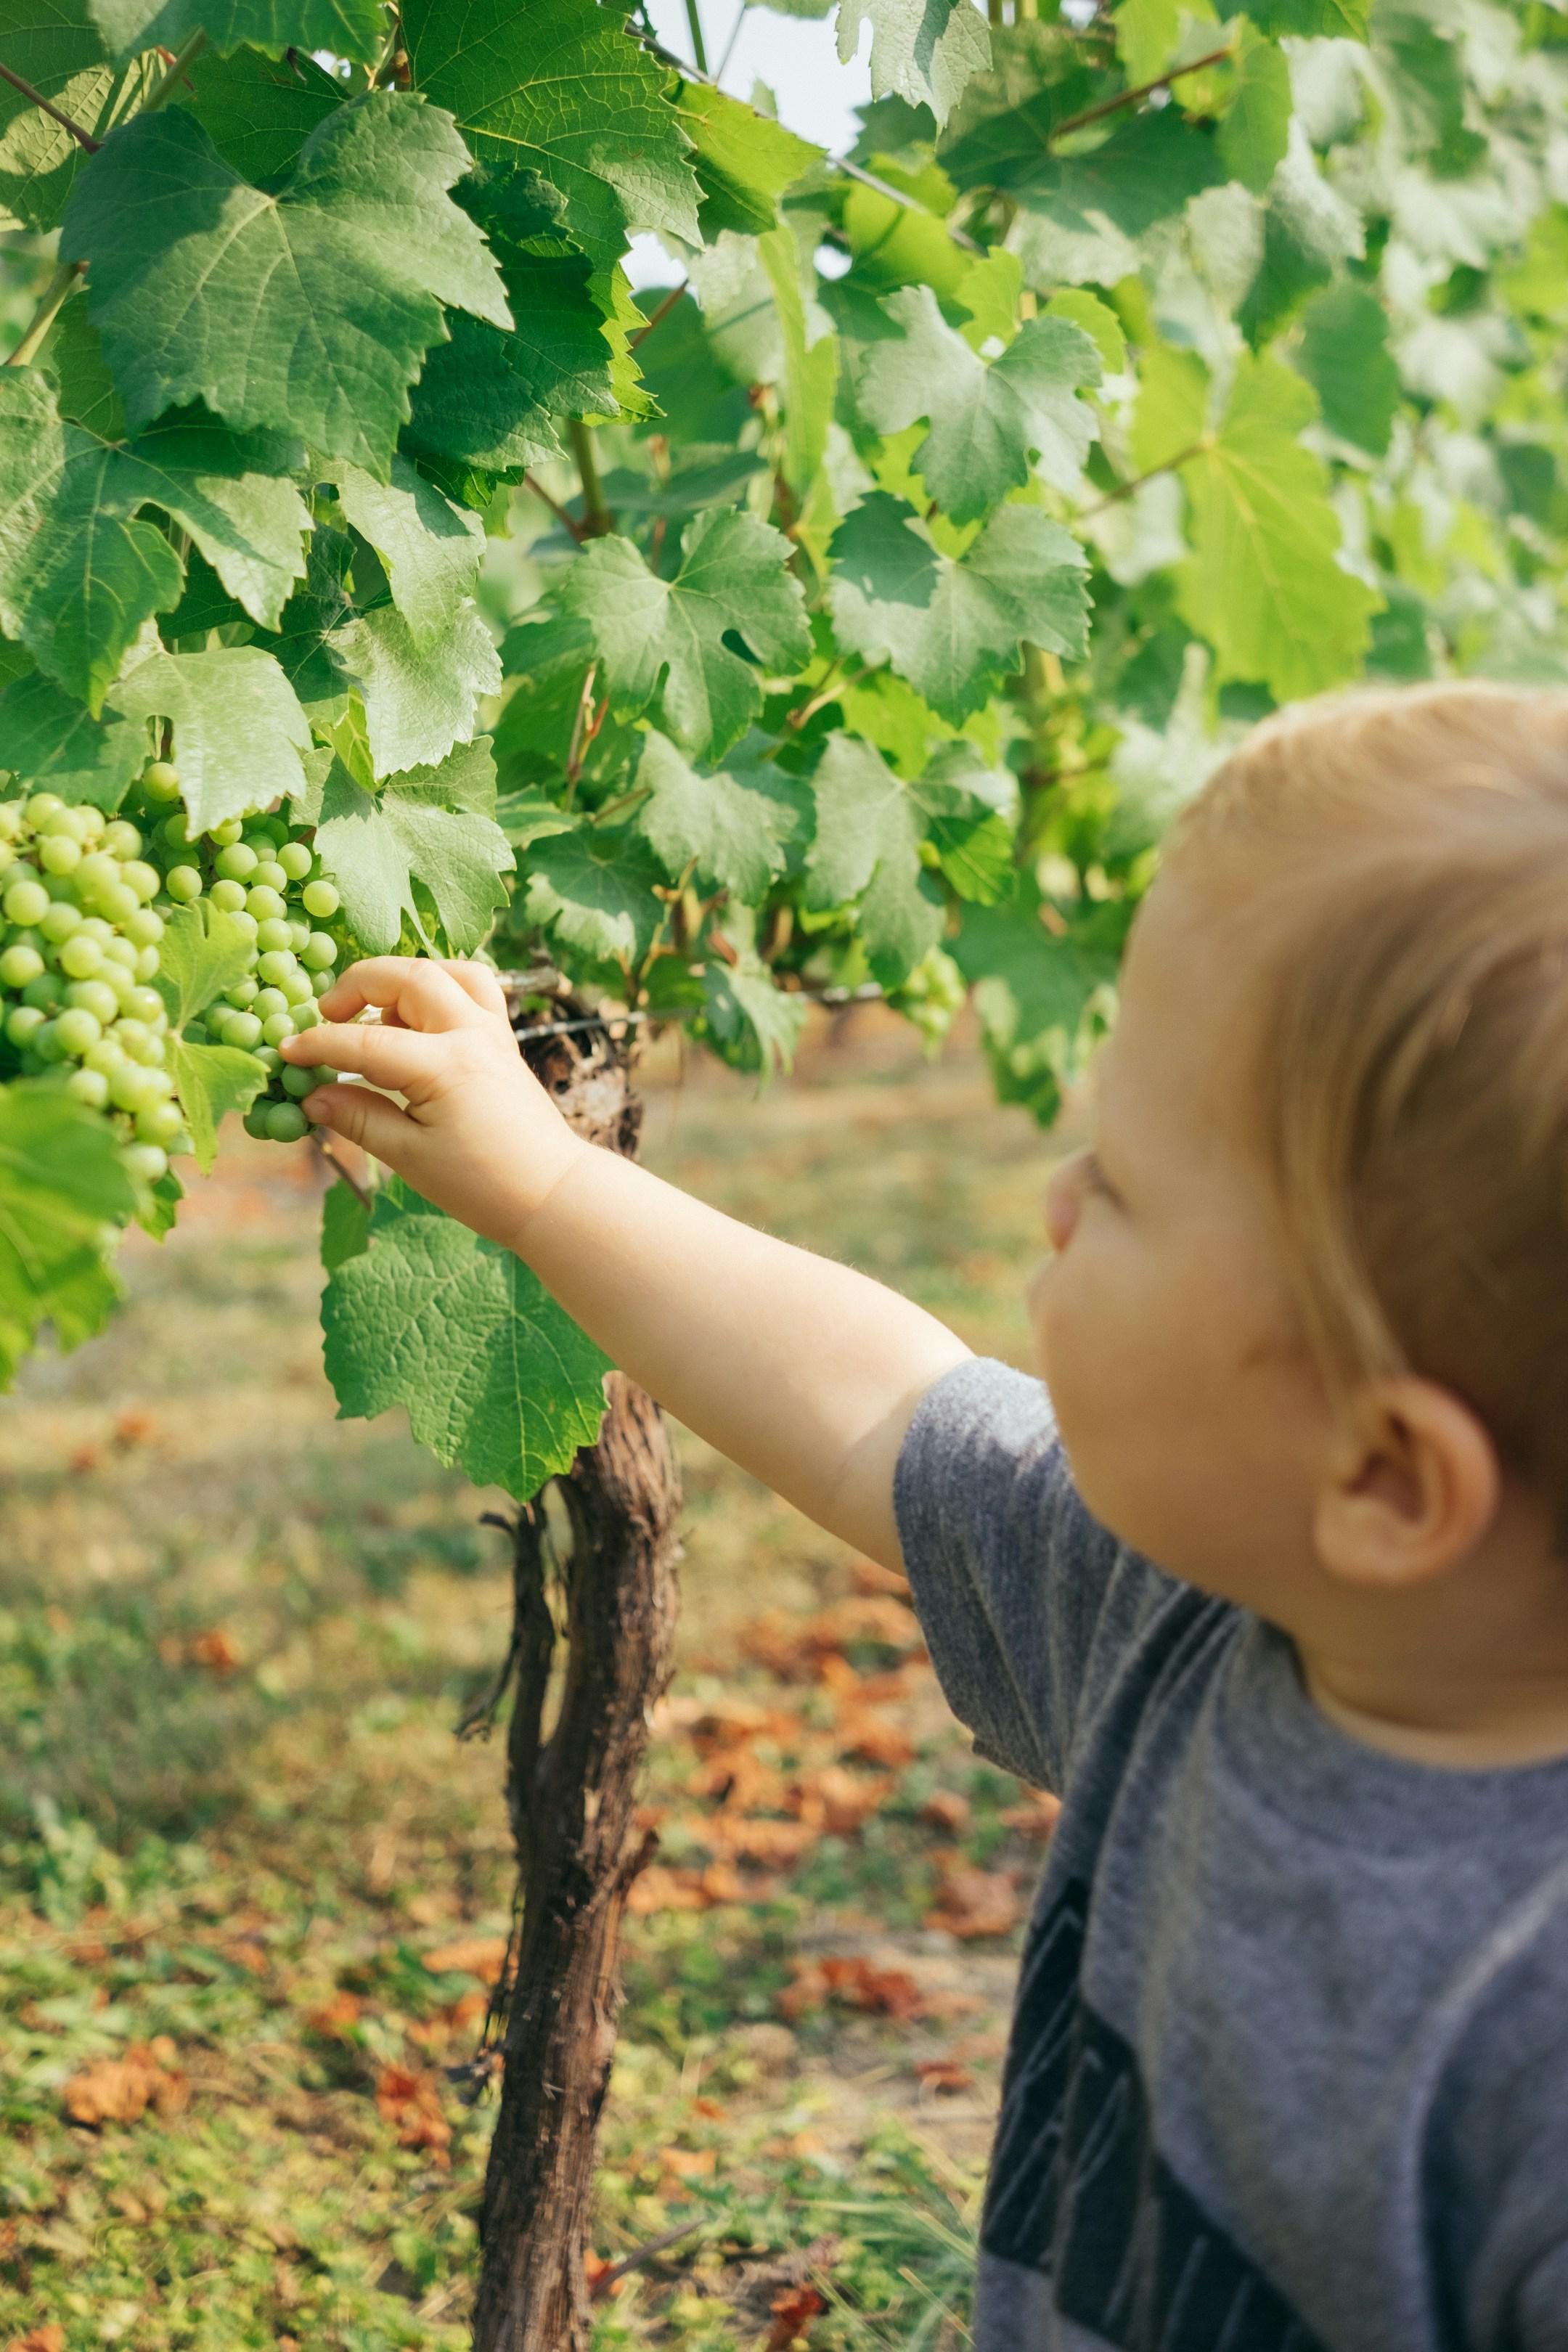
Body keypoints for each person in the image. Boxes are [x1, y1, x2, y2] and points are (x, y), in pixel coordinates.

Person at [281, 682, 1568, 2349]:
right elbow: (877, 1400)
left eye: (1120, 1185)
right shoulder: (1180, 1607)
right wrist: (541, 1182)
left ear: (1388, 1483)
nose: (1051, 1195)